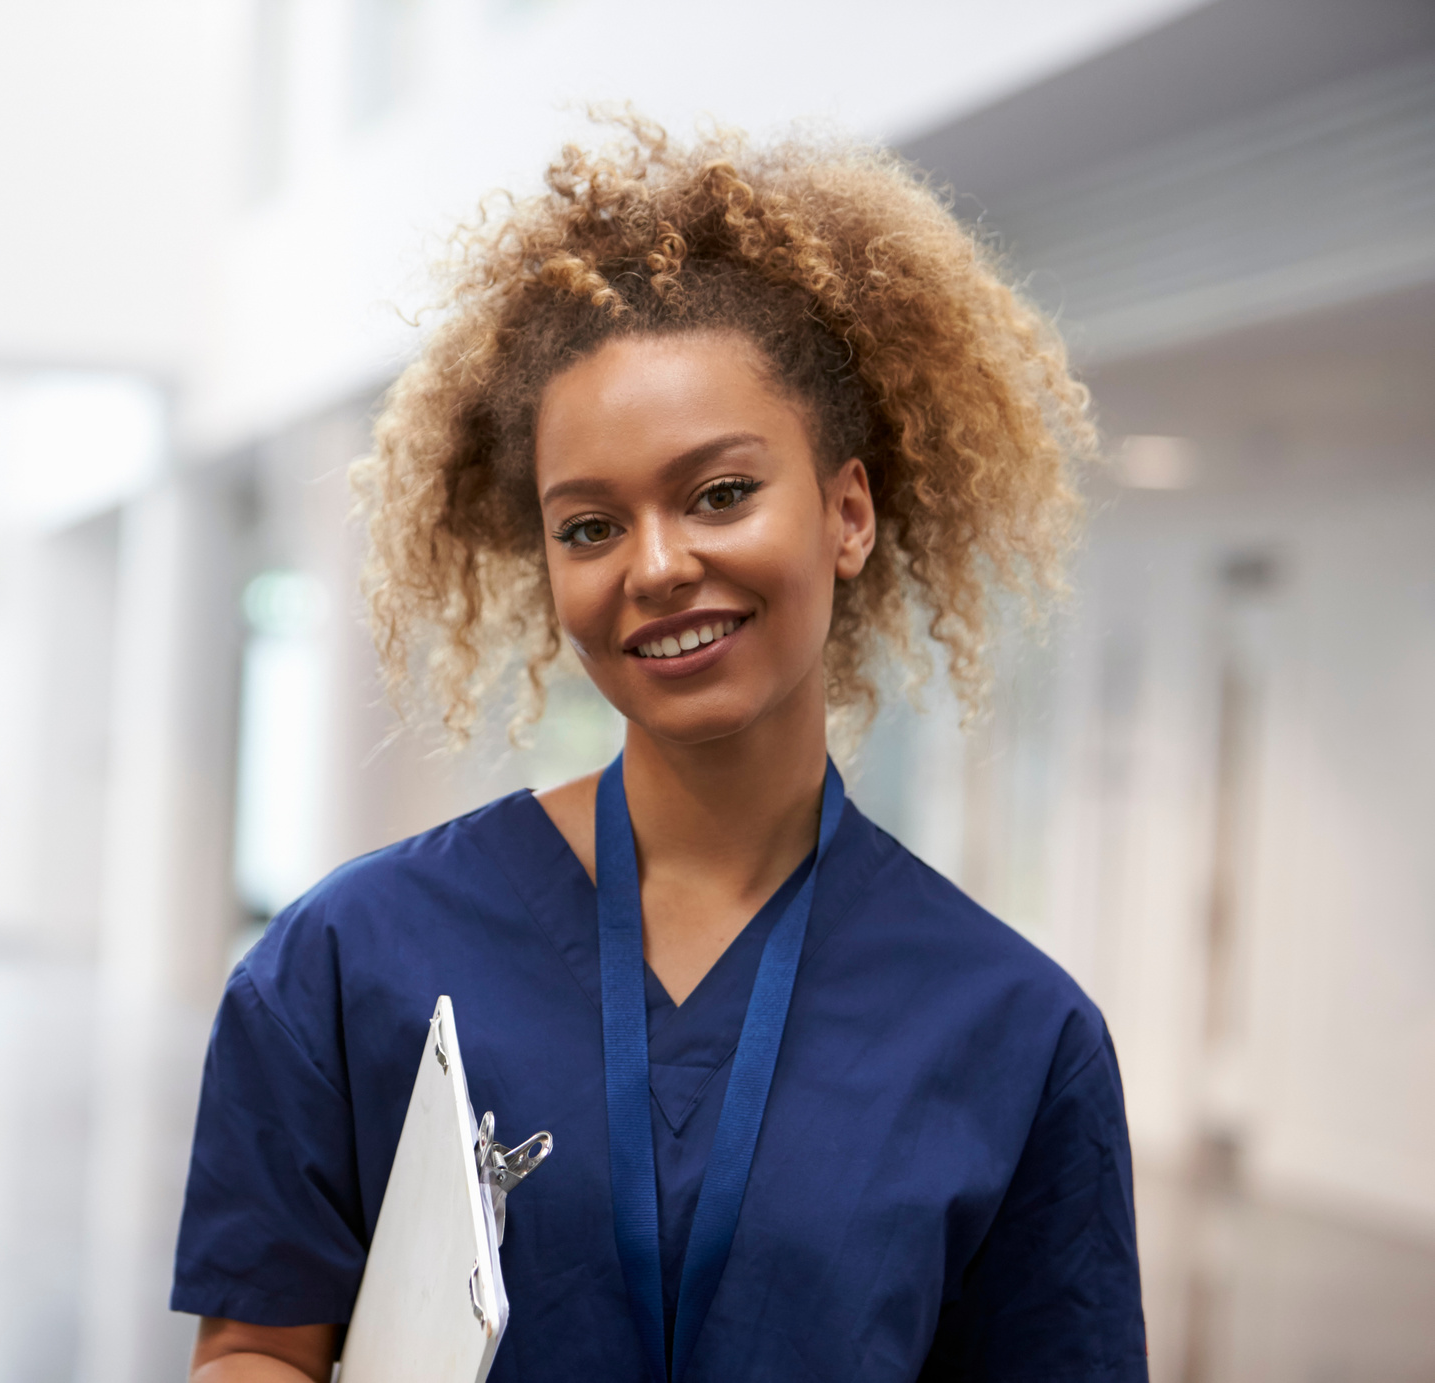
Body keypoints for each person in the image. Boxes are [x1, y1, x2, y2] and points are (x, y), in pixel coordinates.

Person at [173, 119, 1146, 1382]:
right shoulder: (351, 961)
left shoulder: (1014, 1035)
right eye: (587, 526)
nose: (656, 565)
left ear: (847, 511)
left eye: (720, 493)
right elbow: (257, 1349)